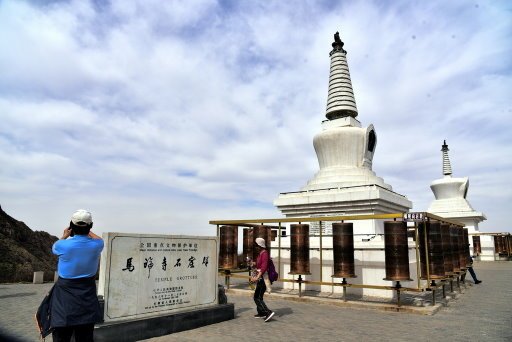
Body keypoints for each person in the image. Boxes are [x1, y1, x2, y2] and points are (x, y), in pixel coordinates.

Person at [51, 209, 104, 342]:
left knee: (61, 335)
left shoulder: (61, 245)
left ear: (71, 226)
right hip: (87, 297)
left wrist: (65, 234)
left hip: (64, 298)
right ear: (91, 226)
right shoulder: (97, 245)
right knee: (85, 336)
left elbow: (55, 247)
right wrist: (87, 229)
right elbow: (99, 238)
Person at [250, 238, 275, 322]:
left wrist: (257, 277)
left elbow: (263, 267)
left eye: (256, 245)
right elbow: (259, 265)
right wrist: (253, 263)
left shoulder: (264, 254)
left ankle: (267, 312)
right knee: (259, 296)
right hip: (261, 278)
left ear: (259, 245)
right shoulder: (261, 253)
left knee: (257, 297)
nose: (255, 247)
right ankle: (261, 312)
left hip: (263, 278)